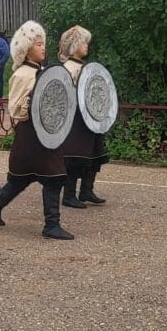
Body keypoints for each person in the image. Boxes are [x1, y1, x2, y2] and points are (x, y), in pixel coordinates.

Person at [0, 20, 74, 240]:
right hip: (31, 134)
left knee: (26, 178)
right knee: (50, 176)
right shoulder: (22, 74)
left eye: (43, 44)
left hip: (46, 133)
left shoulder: (42, 71)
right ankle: (51, 225)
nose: (43, 48)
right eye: (38, 44)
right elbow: (15, 110)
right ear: (26, 49)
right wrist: (33, 101)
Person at [57, 26, 109, 208]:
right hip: (75, 121)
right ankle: (69, 195)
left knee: (93, 153)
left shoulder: (86, 67)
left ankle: (86, 190)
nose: (87, 45)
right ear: (73, 46)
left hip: (90, 119)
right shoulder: (67, 68)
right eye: (83, 42)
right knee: (75, 156)